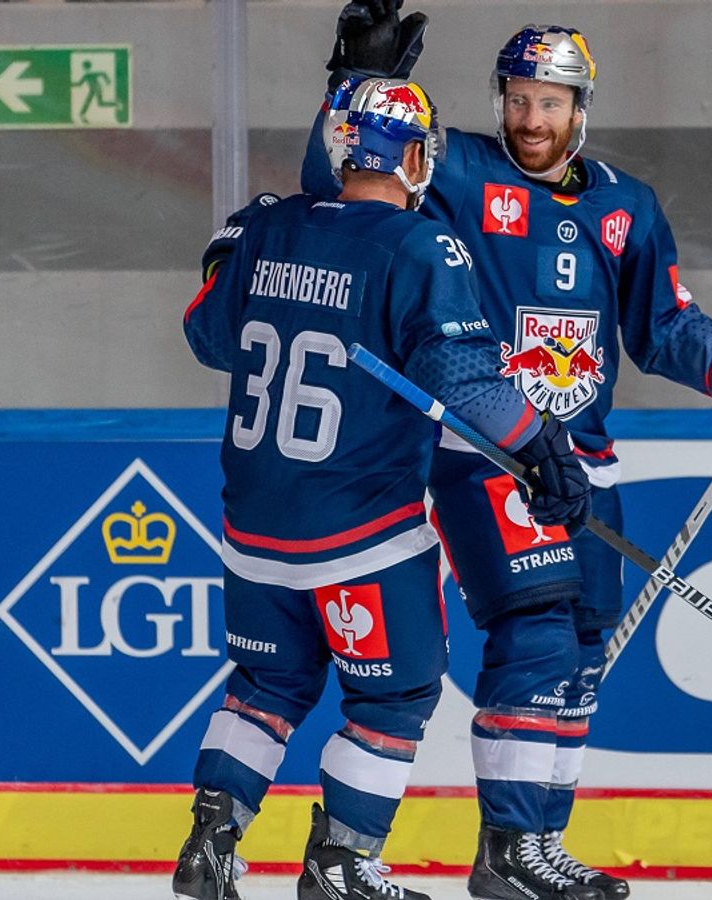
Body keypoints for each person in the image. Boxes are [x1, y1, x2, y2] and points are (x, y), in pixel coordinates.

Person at [303, 10, 712, 900]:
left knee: (581, 652)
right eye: (517, 100)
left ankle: (539, 843)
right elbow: (342, 188)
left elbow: (663, 326)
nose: (530, 119)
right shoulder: (455, 171)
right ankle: (506, 850)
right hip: (489, 452)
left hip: (584, 463)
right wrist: (352, 83)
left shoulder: (626, 205)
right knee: (537, 631)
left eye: (549, 103)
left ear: (581, 108)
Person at [173, 75, 590, 900]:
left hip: (253, 527)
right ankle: (342, 862)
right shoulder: (419, 247)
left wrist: (224, 258)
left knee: (265, 685)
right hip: (361, 531)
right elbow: (464, 383)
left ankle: (209, 841)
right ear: (412, 157)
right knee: (393, 695)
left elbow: (208, 336)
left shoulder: (269, 225)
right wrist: (542, 447)